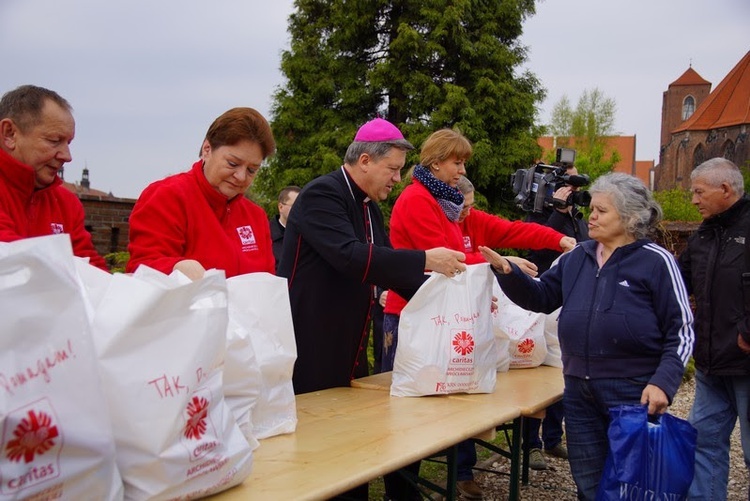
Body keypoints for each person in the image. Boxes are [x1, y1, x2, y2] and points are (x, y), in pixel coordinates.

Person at [277, 118, 465, 501]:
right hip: (308, 342)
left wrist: (453, 303)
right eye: (393, 169)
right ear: (365, 160)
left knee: (350, 446)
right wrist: (425, 258)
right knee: (313, 449)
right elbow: (351, 257)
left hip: (347, 343)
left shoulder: (369, 208)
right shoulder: (322, 196)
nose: (398, 178)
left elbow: (387, 266)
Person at [482, 172, 694, 500]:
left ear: (630, 218)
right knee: (588, 480)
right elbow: (541, 297)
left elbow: (681, 330)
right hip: (579, 389)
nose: (591, 217)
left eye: (601, 211)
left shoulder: (656, 261)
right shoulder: (577, 256)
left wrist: (663, 382)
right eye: (592, 209)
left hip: (632, 390)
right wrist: (507, 272)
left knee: (631, 481)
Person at [453, 174, 575, 495]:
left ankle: (468, 465)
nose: (467, 212)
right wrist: (503, 261)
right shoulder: (437, 221)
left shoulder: (474, 219)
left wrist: (557, 240)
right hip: (444, 324)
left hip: (474, 320)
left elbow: (515, 229)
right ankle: (460, 469)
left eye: (471, 206)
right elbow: (443, 260)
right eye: (462, 207)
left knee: (473, 386)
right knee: (454, 394)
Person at [127, 107, 276, 279]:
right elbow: (141, 271)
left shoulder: (255, 217)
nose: (241, 177)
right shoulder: (167, 196)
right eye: (233, 164)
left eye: (252, 170)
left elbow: (267, 285)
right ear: (207, 149)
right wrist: (175, 268)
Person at [677, 157, 750, 501]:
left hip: (746, 360)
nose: (693, 199)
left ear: (724, 189)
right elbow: (677, 280)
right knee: (702, 441)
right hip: (710, 362)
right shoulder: (705, 233)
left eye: (698, 191)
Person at [522, 164, 590, 471]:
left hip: (573, 304)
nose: (572, 188)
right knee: (535, 376)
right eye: (567, 182)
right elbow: (535, 251)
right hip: (543, 304)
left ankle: (552, 438)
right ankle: (531, 444)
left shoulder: (580, 218)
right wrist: (557, 213)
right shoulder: (539, 214)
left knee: (564, 370)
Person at [0, 84, 107, 270]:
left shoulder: (66, 203)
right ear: (10, 133)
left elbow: (94, 272)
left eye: (68, 142)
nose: (67, 155)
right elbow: (11, 262)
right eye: (54, 141)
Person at [270, 185, 300, 272]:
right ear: (280, 207)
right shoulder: (265, 234)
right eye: (294, 206)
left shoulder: (308, 234)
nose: (299, 210)